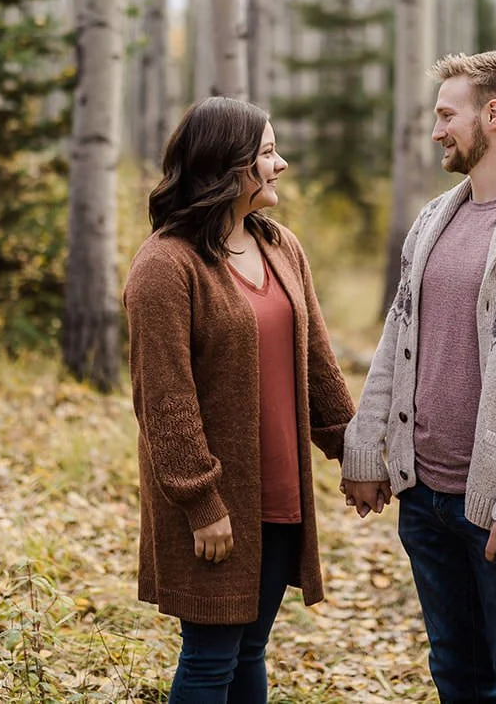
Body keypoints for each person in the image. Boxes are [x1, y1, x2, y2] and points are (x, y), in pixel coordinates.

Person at [341, 51, 496, 704]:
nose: (436, 131)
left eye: (446, 114)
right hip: (425, 497)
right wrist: (367, 450)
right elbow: (398, 339)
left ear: (494, 114)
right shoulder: (434, 218)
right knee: (456, 673)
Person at [126, 97, 356, 704]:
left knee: (249, 649)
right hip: (216, 504)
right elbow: (164, 399)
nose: (281, 165)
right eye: (267, 153)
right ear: (227, 167)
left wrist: (354, 454)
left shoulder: (280, 246)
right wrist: (202, 503)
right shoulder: (165, 266)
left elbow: (318, 367)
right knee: (209, 658)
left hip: (281, 496)